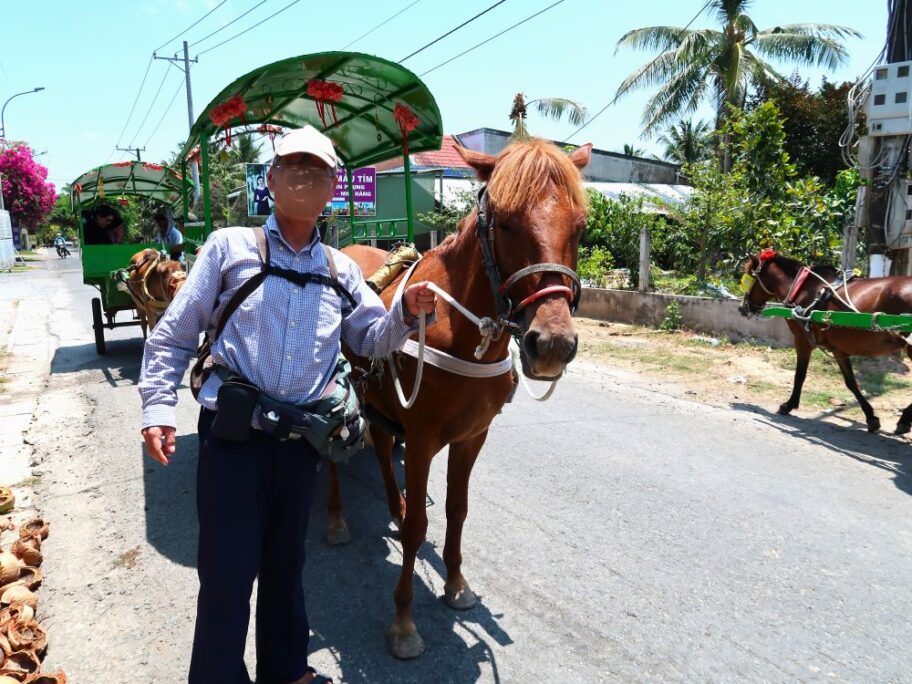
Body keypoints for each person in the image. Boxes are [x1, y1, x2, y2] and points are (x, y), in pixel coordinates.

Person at [138, 125, 436, 684]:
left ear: (332, 188)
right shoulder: (229, 248)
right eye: (292, 166)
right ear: (270, 180)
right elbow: (176, 334)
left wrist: (407, 312)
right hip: (233, 442)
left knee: (285, 567)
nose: (304, 177)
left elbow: (372, 339)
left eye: (316, 169)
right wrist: (157, 408)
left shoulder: (340, 270)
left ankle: (285, 671)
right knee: (227, 573)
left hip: (301, 443)